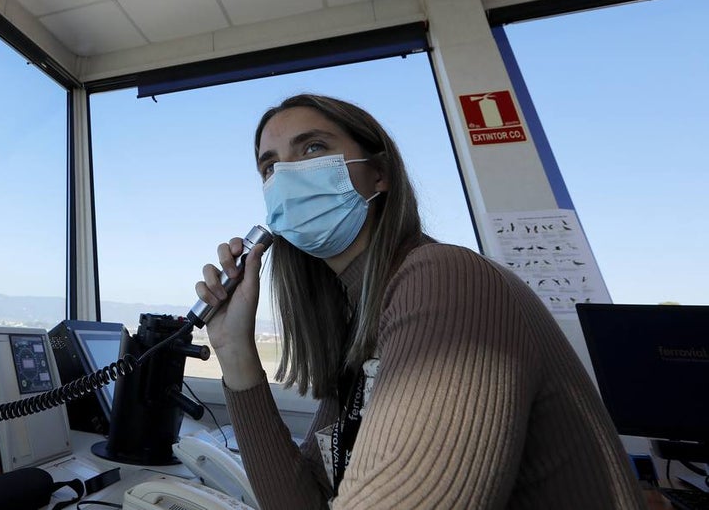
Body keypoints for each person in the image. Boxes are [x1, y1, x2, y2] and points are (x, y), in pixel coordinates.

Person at [195, 93, 645, 509]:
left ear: (380, 173)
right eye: (270, 167)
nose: (286, 176)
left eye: (312, 148)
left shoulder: (447, 279)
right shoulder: (363, 325)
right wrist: (236, 352)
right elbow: (307, 502)